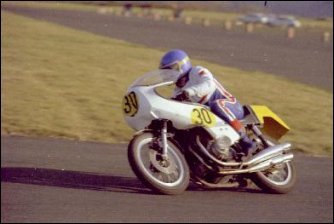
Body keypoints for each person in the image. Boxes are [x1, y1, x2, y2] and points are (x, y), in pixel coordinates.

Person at [159, 49, 256, 157]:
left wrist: (189, 92)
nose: (167, 74)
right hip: (211, 117)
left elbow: (209, 84)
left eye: (170, 70)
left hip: (230, 105)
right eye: (165, 72)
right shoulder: (177, 91)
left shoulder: (197, 71)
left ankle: (245, 141)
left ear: (181, 66)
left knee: (217, 105)